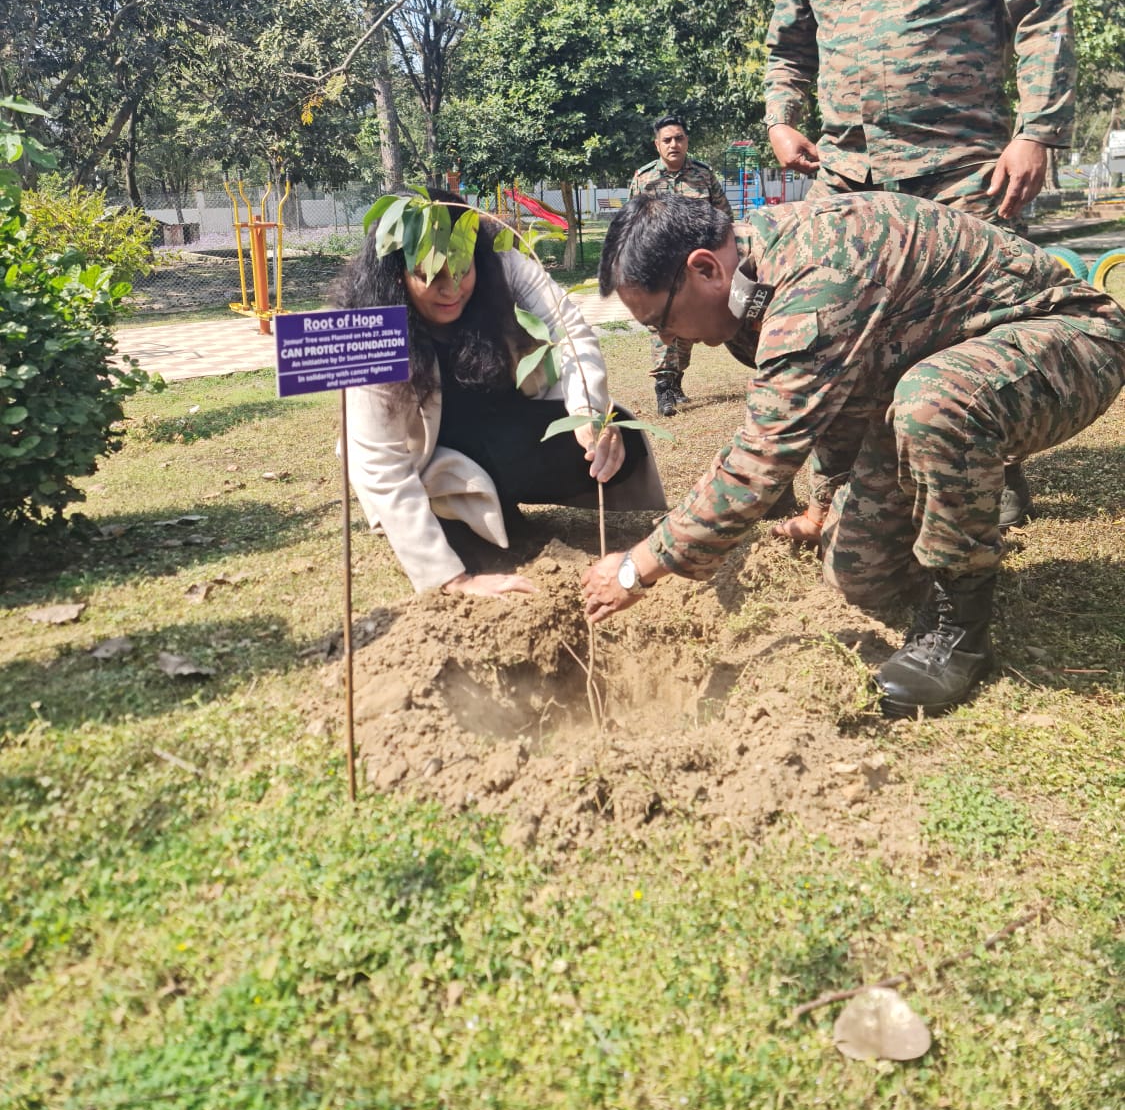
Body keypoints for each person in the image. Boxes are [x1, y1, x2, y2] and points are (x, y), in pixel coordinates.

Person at [581, 193, 1125, 715]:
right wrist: (824, 507)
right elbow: (839, 399)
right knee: (861, 576)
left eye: (661, 321)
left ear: (705, 269)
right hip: (945, 363)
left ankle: (958, 628)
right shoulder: (746, 289)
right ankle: (961, 494)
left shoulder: (814, 279)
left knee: (934, 404)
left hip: (1068, 338)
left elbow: (762, 458)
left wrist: (637, 567)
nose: (670, 338)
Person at [764, 0, 1075, 528]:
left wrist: (1036, 130)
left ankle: (987, 480)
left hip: (966, 171)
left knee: (968, 335)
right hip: (850, 176)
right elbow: (786, 47)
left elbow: (1040, 15)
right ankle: (838, 493)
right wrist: (780, 118)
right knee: (830, 327)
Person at [333, 192, 665, 595]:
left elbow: (570, 335)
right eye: (429, 275)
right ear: (397, 275)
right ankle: (456, 515)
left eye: (460, 269)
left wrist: (589, 414)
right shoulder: (373, 326)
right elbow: (377, 460)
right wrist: (449, 579)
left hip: (498, 420)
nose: (449, 288)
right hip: (431, 454)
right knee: (472, 501)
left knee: (621, 439)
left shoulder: (504, 265)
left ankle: (496, 503)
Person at [628, 114, 732, 416]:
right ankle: (663, 388)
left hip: (695, 267)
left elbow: (724, 217)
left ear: (686, 141)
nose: (674, 144)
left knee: (688, 328)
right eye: (667, 140)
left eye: (679, 138)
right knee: (661, 325)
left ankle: (676, 381)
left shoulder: (703, 174)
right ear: (657, 144)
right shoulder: (644, 179)